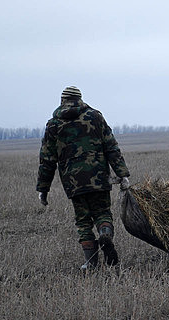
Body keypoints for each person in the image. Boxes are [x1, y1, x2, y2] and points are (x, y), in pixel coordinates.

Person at [36, 86, 131, 270]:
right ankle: (105, 234)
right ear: (80, 98)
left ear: (62, 101)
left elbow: (47, 160)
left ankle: (91, 262)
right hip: (99, 179)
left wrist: (43, 189)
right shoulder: (95, 117)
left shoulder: (54, 125)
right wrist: (122, 174)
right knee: (103, 212)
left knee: (83, 221)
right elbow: (111, 147)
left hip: (74, 183)